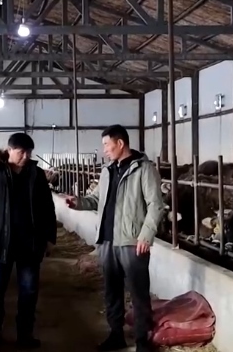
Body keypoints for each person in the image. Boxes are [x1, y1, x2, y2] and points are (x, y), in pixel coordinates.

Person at [63, 125, 165, 352]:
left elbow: (156, 205)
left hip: (132, 241)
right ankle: (116, 334)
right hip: (107, 240)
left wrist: (146, 235)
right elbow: (95, 199)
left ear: (120, 143)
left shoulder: (144, 169)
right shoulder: (107, 171)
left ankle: (142, 340)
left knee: (138, 292)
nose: (104, 150)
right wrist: (78, 202)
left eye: (106, 145)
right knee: (112, 291)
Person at [0, 132, 57, 349]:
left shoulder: (36, 174)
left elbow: (48, 208)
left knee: (28, 292)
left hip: (30, 244)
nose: (26, 156)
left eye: (29, 152)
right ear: (10, 150)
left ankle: (25, 336)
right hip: (1, 243)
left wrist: (50, 237)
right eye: (21, 152)